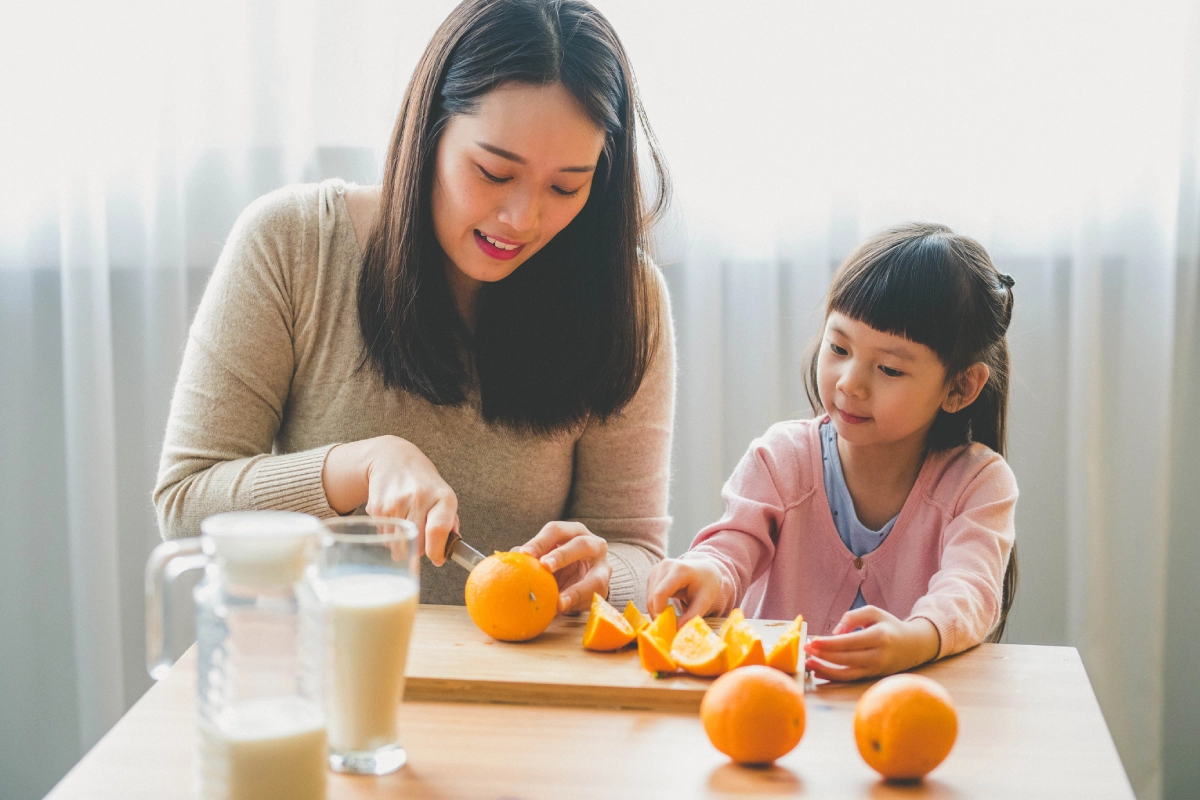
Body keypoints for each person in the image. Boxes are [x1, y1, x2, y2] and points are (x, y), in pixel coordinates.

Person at [154, 0, 675, 614]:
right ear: (429, 132)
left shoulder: (626, 299)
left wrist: (602, 572)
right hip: (323, 678)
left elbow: (637, 546)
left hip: (523, 689)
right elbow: (185, 508)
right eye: (492, 171)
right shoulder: (292, 244)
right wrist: (360, 465)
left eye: (567, 186)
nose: (524, 219)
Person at [646, 223, 1018, 681]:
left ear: (961, 386)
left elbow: (970, 589)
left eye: (888, 368)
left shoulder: (978, 484)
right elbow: (731, 547)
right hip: (772, 705)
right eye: (839, 346)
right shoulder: (782, 458)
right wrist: (707, 572)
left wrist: (915, 639)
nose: (849, 383)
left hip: (900, 719)